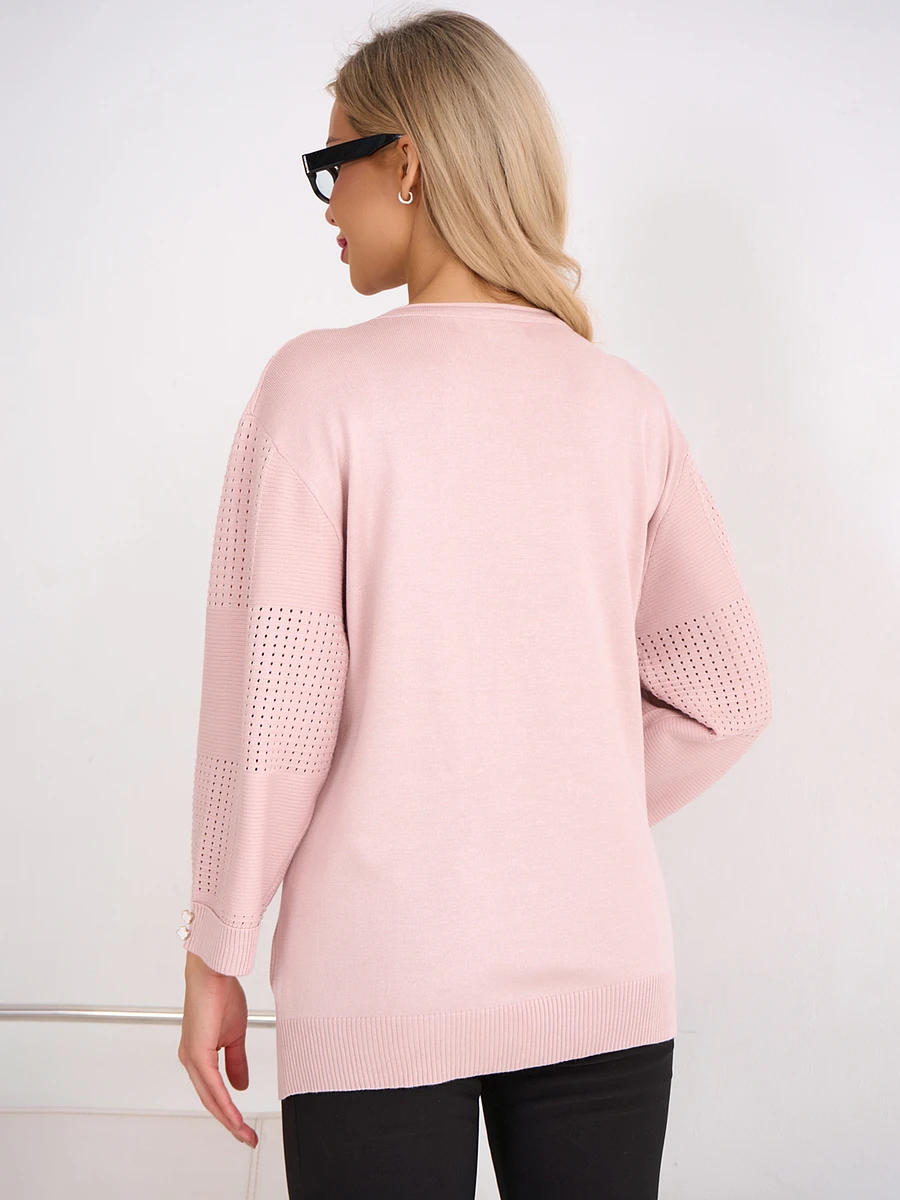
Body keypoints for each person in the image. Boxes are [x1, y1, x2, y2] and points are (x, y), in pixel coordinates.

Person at [176, 9, 773, 1198]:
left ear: (406, 160)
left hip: (379, 975)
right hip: (605, 973)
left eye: (334, 162)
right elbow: (729, 695)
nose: (327, 201)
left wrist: (215, 950)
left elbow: (272, 722)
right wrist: (555, 803)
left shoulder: (318, 389)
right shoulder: (624, 404)